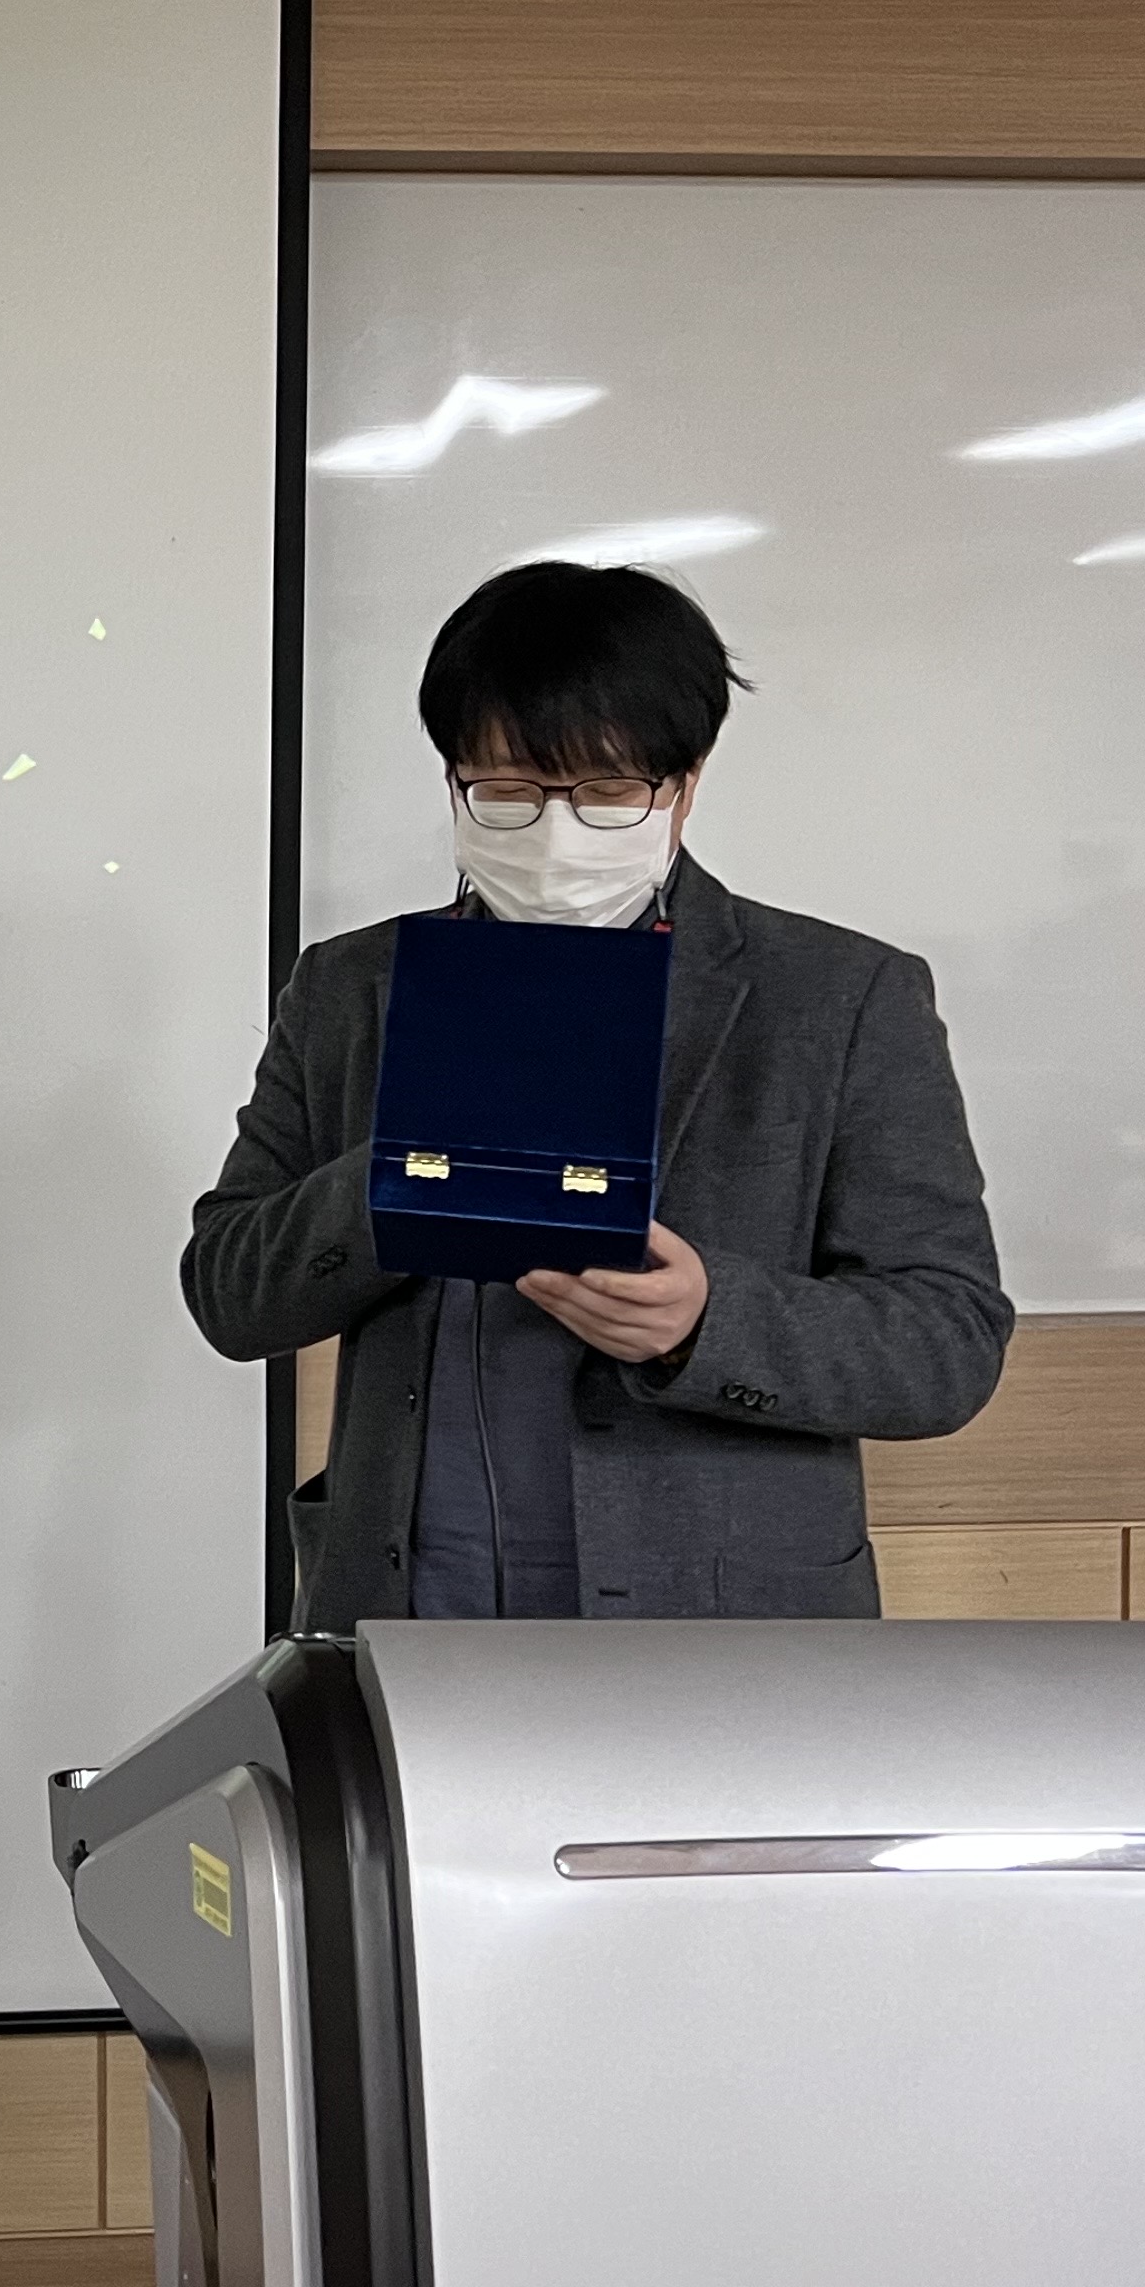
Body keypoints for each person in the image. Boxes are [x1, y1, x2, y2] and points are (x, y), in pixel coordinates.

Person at [186, 563, 1012, 1625]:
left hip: (717, 1633)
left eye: (609, 793)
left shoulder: (840, 997)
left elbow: (948, 1341)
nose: (555, 830)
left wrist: (706, 1320)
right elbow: (230, 1293)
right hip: (411, 1611)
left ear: (686, 784)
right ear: (453, 780)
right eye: (507, 791)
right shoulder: (352, 988)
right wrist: (391, 1175)